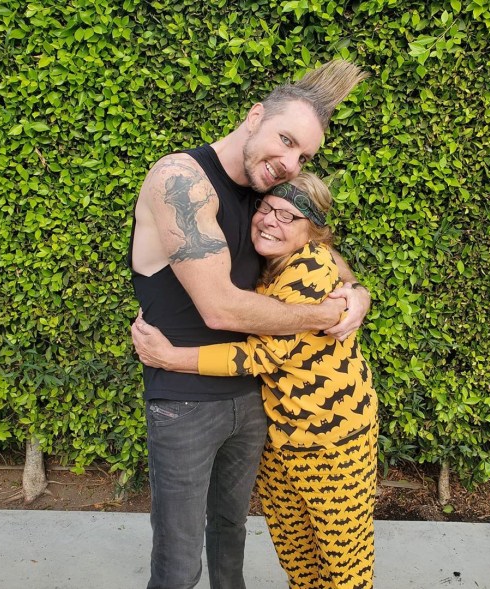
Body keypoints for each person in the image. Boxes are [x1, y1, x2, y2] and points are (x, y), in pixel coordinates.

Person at [129, 60, 371, 589]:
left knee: (231, 538)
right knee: (178, 560)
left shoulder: (263, 196)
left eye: (303, 155)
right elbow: (222, 308)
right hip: (185, 400)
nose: (289, 162)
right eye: (285, 140)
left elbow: (316, 248)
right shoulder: (182, 179)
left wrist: (356, 292)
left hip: (252, 399)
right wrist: (324, 315)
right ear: (254, 115)